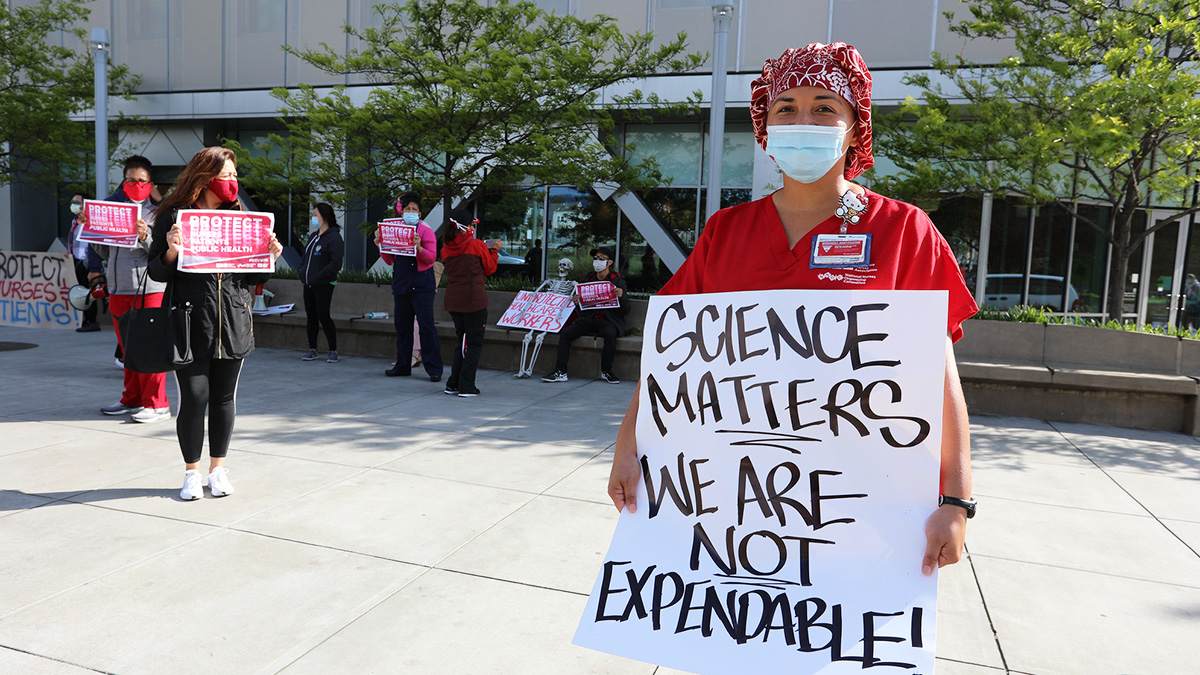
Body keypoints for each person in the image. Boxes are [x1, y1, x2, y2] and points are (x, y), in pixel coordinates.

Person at [607, 42, 979, 578]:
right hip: (731, 502)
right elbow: (674, 357)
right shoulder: (724, 233)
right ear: (765, 125)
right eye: (786, 107)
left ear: (855, 125)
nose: (803, 119)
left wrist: (957, 500)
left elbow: (937, 373)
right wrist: (628, 443)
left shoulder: (904, 231)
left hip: (861, 507)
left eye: (825, 106)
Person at [147, 146, 283, 501]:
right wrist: (172, 249)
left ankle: (218, 469)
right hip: (190, 319)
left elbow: (257, 276)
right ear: (206, 177)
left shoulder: (240, 215)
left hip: (233, 318)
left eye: (235, 175)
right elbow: (157, 270)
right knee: (194, 397)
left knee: (224, 398)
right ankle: (192, 472)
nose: (233, 182)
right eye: (227, 176)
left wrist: (270, 255)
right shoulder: (174, 216)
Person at [85, 155, 171, 422]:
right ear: (123, 182)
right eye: (131, 180)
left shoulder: (161, 212)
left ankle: (157, 404)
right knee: (128, 349)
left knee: (151, 347)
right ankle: (132, 399)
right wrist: (91, 230)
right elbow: (103, 251)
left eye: (141, 180)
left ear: (151, 183)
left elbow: (163, 252)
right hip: (119, 288)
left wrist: (145, 237)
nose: (136, 184)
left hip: (150, 288)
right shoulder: (112, 210)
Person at [375, 191, 442, 381]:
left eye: (414, 209)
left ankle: (434, 368)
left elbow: (431, 258)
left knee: (426, 326)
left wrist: (419, 247)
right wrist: (379, 244)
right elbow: (389, 260)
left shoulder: (425, 231)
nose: (411, 212)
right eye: (407, 209)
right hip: (402, 282)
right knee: (402, 327)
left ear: (420, 214)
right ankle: (402, 365)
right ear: (401, 212)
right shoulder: (393, 229)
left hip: (422, 284)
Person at [541, 246, 629, 384]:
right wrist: (577, 302)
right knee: (566, 334)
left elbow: (626, 310)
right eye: (595, 258)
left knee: (610, 335)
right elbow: (582, 309)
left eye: (602, 258)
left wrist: (622, 296)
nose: (597, 261)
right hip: (589, 319)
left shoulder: (618, 281)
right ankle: (561, 371)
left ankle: (607, 370)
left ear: (609, 263)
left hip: (608, 321)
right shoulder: (588, 279)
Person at [440, 208, 500, 397]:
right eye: (472, 225)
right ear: (466, 226)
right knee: (474, 344)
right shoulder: (477, 245)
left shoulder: (445, 248)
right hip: (474, 300)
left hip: (454, 300)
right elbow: (490, 269)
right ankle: (466, 386)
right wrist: (495, 251)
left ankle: (453, 383)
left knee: (462, 341)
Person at [299, 202, 344, 363]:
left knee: (323, 315)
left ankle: (333, 350)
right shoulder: (313, 236)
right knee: (311, 316)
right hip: (308, 283)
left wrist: (319, 276)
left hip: (324, 284)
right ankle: (312, 349)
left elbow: (335, 263)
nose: (313, 218)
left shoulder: (334, 237)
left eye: (316, 215)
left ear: (324, 217)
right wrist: (302, 272)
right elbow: (305, 257)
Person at [66, 192, 101, 332]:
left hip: (87, 262)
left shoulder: (91, 221)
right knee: (80, 291)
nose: (74, 205)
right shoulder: (75, 221)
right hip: (76, 260)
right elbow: (73, 240)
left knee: (89, 292)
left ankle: (92, 320)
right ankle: (84, 319)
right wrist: (68, 251)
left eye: (77, 202)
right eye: (73, 202)